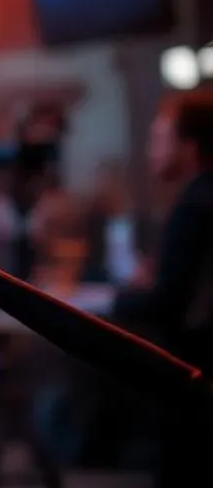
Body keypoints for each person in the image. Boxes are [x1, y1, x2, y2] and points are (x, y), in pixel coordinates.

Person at [113, 89, 213, 487]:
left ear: (188, 147)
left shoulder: (194, 203)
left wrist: (113, 300)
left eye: (160, 139)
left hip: (192, 370)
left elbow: (167, 303)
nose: (151, 149)